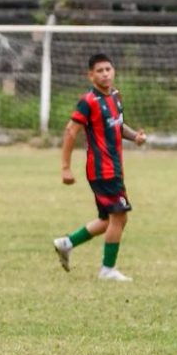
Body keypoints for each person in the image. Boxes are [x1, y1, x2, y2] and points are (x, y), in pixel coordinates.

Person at [52, 52, 147, 282]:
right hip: (102, 170)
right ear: (91, 75)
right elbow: (71, 131)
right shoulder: (88, 102)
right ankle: (107, 270)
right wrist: (65, 167)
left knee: (108, 220)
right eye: (100, 71)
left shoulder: (114, 97)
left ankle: (67, 243)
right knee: (120, 217)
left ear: (113, 71)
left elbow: (118, 125)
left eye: (108, 69)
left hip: (114, 167)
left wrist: (135, 137)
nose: (105, 74)